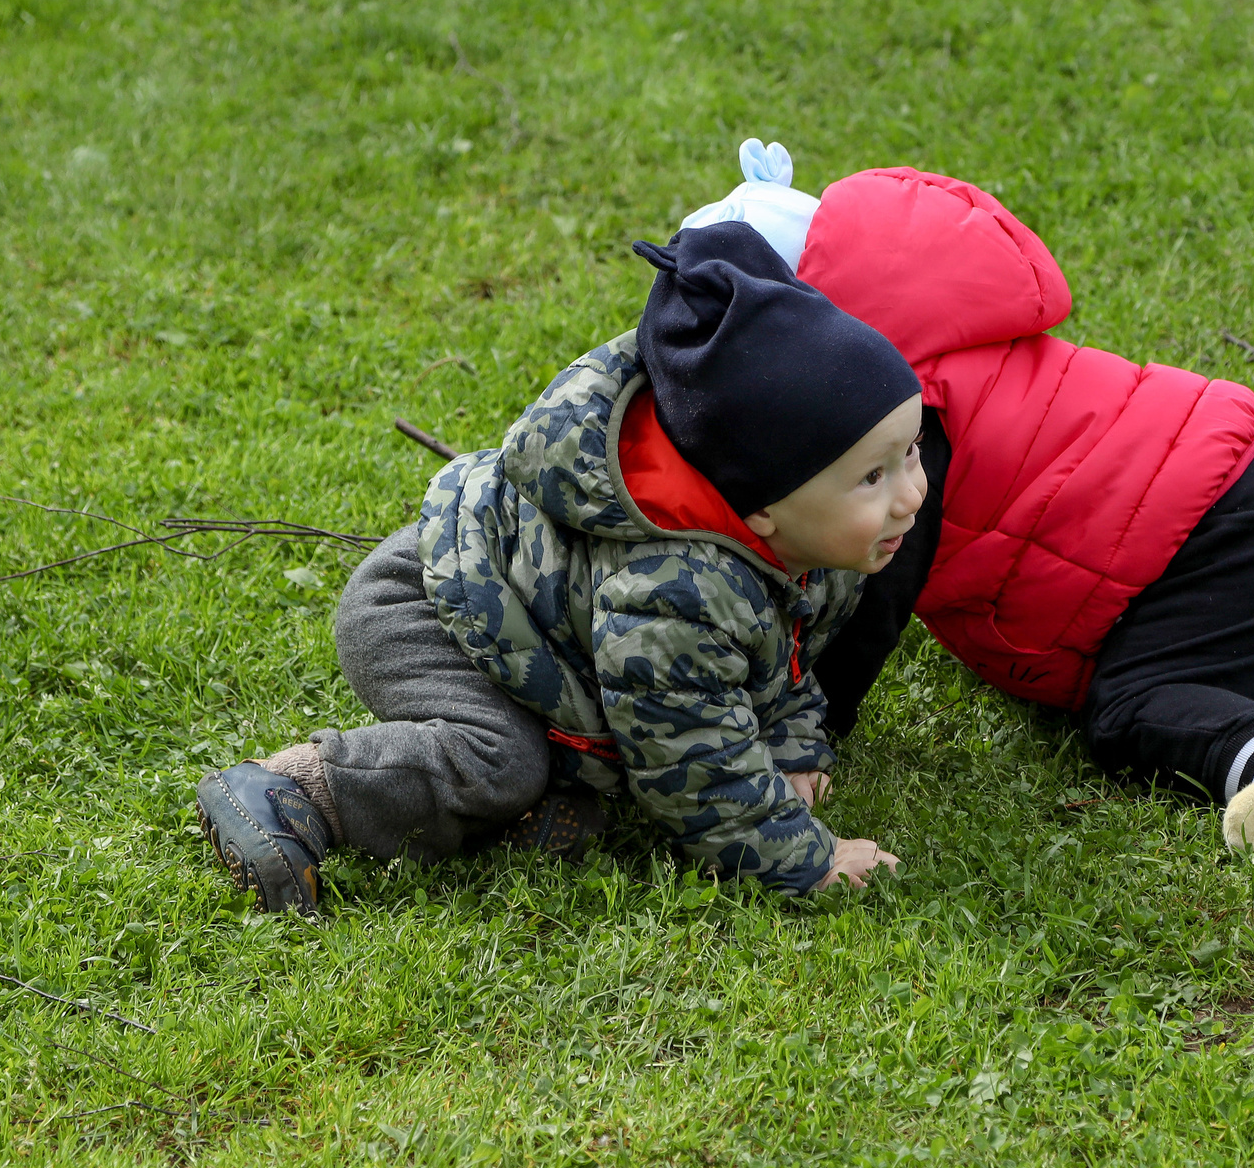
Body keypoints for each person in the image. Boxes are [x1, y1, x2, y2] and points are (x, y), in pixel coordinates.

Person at [679, 141, 1254, 851]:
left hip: (1224, 527)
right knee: (1235, 618)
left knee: (1135, 701)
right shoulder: (957, 347)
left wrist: (811, 719)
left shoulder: (903, 420)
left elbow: (878, 589)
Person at [194, 219, 923, 913]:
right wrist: (809, 859)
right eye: (873, 477)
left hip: (533, 638)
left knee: (554, 763)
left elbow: (783, 660)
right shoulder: (677, 592)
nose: (910, 494)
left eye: (911, 453)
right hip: (426, 607)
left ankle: (535, 807)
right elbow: (695, 764)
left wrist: (794, 749)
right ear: (765, 510)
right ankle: (290, 790)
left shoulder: (820, 547)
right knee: (501, 759)